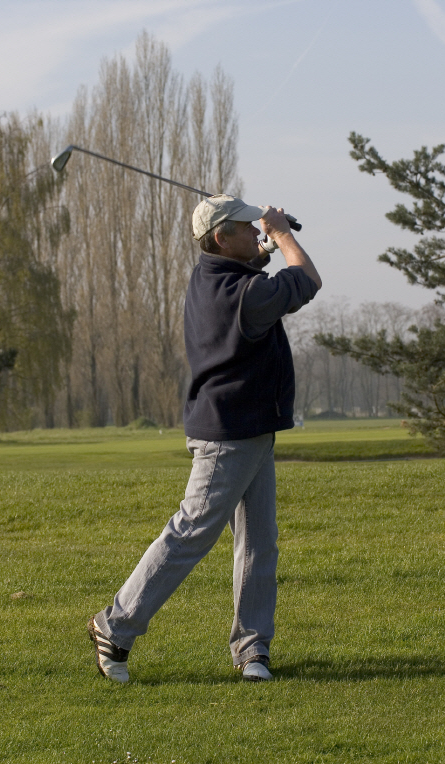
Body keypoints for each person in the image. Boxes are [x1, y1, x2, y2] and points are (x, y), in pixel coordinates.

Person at [88, 194, 321, 682]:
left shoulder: (213, 277)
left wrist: (264, 246)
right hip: (229, 436)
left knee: (259, 542)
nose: (255, 232)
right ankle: (115, 625)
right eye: (246, 227)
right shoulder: (243, 295)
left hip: (250, 432)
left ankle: (252, 648)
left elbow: (250, 264)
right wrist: (281, 235)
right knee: (191, 532)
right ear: (221, 238)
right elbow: (307, 281)